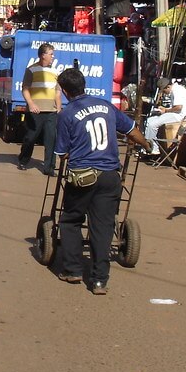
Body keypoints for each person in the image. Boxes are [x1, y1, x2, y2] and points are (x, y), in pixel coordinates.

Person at [53, 67, 149, 295]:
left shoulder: (67, 114)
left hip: (82, 177)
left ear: (65, 91)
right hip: (109, 176)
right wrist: (146, 144)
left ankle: (73, 270)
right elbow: (131, 130)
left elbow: (62, 153)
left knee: (71, 220)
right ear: (84, 85)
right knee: (103, 226)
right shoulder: (106, 106)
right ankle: (99, 281)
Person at [17, 43, 62, 174]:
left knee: (51, 139)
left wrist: (59, 108)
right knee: (30, 138)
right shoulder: (31, 70)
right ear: (43, 55)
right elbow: (25, 89)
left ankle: (49, 168)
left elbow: (57, 93)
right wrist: (31, 104)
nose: (53, 57)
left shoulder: (55, 72)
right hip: (35, 112)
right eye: (51, 54)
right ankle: (23, 160)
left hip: (51, 111)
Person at [144, 77, 186, 154]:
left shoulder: (177, 90)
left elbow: (178, 107)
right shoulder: (175, 90)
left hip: (180, 116)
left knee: (152, 125)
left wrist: (166, 111)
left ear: (168, 87)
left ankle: (154, 148)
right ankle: (147, 145)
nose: (164, 92)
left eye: (164, 90)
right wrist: (165, 109)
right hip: (176, 114)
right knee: (149, 121)